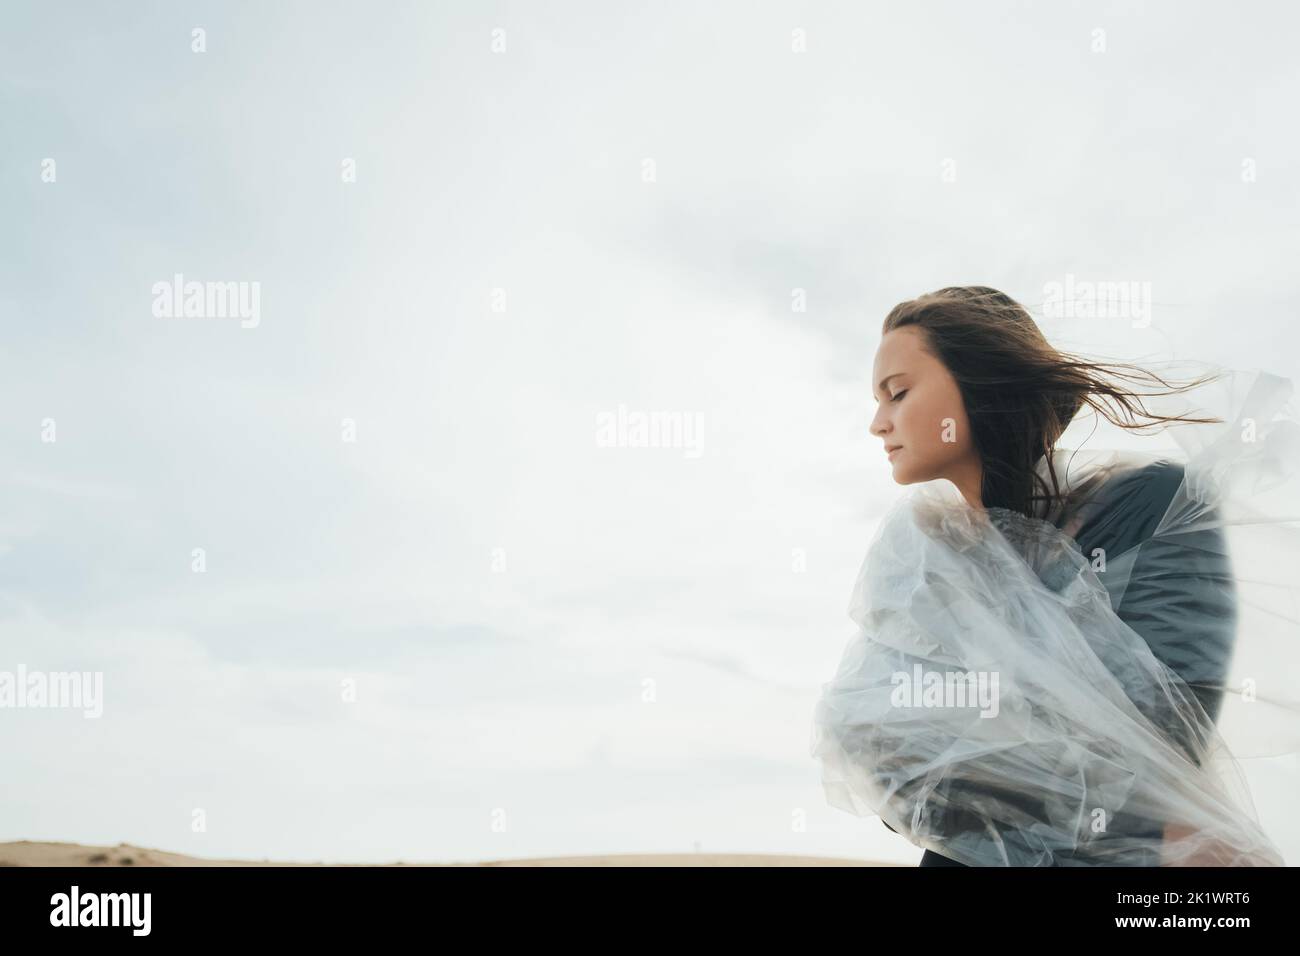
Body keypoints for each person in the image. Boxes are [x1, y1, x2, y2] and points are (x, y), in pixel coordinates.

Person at [811, 286, 1297, 866]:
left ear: (978, 383)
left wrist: (956, 748)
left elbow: (1166, 735)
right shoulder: (920, 558)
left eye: (898, 394)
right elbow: (876, 760)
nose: (877, 423)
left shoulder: (1143, 504)